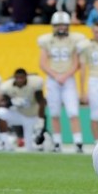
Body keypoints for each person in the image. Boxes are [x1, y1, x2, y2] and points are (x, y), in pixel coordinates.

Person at [37, 11, 85, 153]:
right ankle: (57, 142)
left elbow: (76, 63)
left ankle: (78, 141)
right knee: (54, 112)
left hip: (68, 79)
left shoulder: (74, 40)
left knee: (73, 112)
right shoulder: (47, 41)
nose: (61, 28)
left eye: (63, 25)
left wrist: (65, 76)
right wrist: (55, 75)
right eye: (58, 25)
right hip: (53, 80)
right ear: (53, 26)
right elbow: (42, 63)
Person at [0, 68, 46, 152]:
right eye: (17, 78)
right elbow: (2, 103)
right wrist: (11, 102)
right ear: (14, 78)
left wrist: (41, 120)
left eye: (21, 78)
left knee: (30, 147)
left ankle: (38, 142)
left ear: (26, 77)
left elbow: (41, 102)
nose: (19, 80)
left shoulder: (35, 84)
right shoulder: (7, 87)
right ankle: (4, 140)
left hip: (31, 115)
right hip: (18, 114)